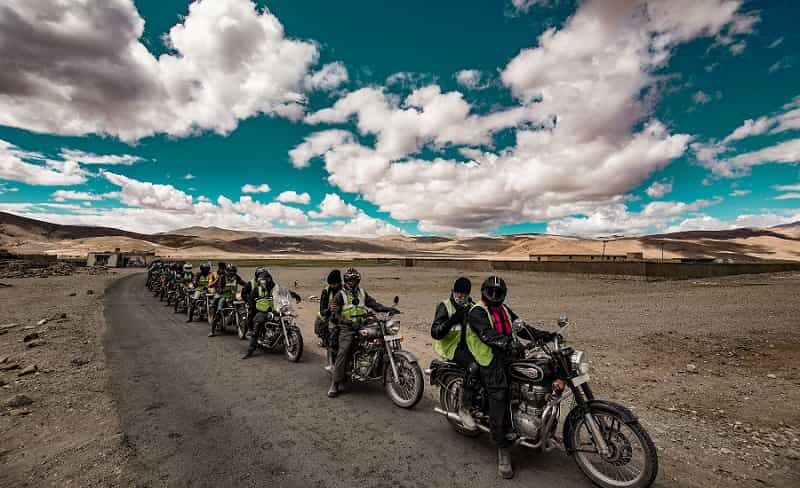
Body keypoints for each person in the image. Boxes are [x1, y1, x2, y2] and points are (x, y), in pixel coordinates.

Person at [467, 276, 555, 479]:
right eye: (492, 293)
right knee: (501, 397)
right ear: (484, 292)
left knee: (530, 383)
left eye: (499, 294)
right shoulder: (477, 312)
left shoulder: (504, 309)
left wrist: (545, 336)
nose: (495, 297)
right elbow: (486, 334)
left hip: (507, 357)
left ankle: (534, 424)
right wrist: (508, 343)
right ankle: (503, 449)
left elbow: (522, 327)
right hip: (488, 360)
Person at [328, 268, 399, 398]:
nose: (353, 283)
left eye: (356, 280)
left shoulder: (362, 292)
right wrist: (349, 323)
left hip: (362, 323)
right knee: (344, 350)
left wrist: (388, 309)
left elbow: (374, 304)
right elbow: (336, 315)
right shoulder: (340, 295)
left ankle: (377, 367)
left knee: (380, 336)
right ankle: (335, 382)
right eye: (351, 280)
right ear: (346, 281)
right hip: (347, 327)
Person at [430, 276, 476, 430]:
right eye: (457, 293)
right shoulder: (445, 306)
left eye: (464, 294)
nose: (460, 296)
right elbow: (435, 333)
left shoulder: (473, 306)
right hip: (451, 347)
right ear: (453, 291)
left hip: (470, 346)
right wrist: (453, 320)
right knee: (473, 367)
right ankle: (464, 408)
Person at [209, 264, 246, 337]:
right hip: (224, 297)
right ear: (227, 271)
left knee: (243, 304)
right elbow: (218, 288)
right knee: (219, 311)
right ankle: (212, 331)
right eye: (230, 271)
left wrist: (249, 287)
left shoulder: (236, 277)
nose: (232, 272)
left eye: (233, 271)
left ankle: (244, 324)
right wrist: (224, 290)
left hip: (233, 296)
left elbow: (243, 283)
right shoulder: (222, 277)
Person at [315, 270, 342, 353]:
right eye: (330, 284)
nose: (332, 286)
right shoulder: (326, 291)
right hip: (329, 315)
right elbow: (322, 310)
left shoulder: (345, 290)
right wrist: (329, 310)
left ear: (339, 282)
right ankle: (325, 339)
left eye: (334, 284)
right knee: (319, 318)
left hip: (342, 315)